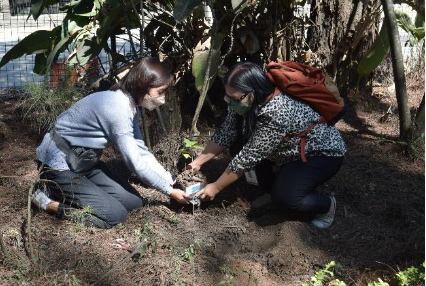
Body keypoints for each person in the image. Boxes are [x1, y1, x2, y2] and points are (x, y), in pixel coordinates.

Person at [33, 57, 190, 229]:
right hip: (58, 165)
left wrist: (168, 179)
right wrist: (169, 191)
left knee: (134, 202)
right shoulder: (118, 109)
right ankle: (47, 200)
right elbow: (135, 162)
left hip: (83, 162)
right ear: (142, 87)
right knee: (116, 216)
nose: (163, 98)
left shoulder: (130, 104)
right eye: (160, 92)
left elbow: (141, 150)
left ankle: (75, 192)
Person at [189, 62, 346, 229]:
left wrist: (215, 187)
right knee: (237, 146)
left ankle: (326, 205)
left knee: (287, 199)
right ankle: (271, 188)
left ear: (253, 93)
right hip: (287, 150)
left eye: (234, 99)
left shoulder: (276, 111)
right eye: (227, 97)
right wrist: (197, 162)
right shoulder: (244, 101)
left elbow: (248, 158)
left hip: (321, 154)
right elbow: (226, 133)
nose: (230, 103)